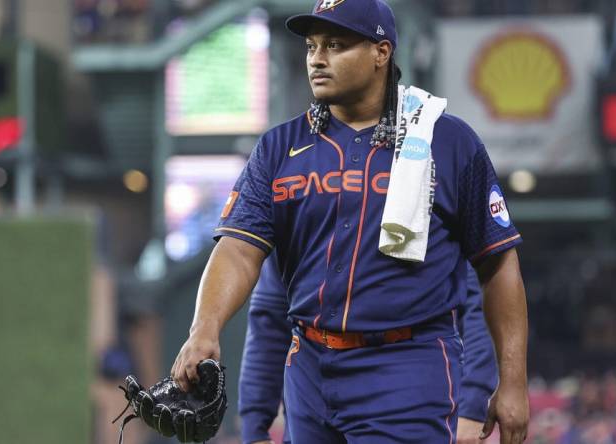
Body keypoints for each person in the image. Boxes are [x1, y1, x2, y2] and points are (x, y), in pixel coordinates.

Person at [171, 1, 529, 442]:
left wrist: (511, 382)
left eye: (336, 45)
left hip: (406, 366)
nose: (318, 58)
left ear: (381, 53)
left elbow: (497, 266)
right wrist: (203, 329)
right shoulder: (279, 148)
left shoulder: (447, 141)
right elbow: (239, 253)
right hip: (309, 367)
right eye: (312, 46)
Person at [239, 256, 499, 444]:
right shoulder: (299, 189)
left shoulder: (422, 184)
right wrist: (254, 427)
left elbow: (476, 307)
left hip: (403, 381)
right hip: (309, 385)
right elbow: (269, 315)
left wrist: (472, 405)